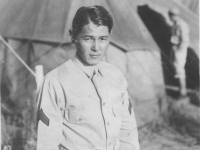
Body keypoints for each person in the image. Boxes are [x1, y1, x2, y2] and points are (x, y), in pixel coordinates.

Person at [36, 5, 140, 150]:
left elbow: (128, 133)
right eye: (88, 38)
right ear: (73, 36)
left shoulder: (115, 76)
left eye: (103, 39)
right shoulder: (55, 82)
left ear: (110, 36)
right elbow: (47, 143)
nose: (96, 47)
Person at [168, 7, 190, 97]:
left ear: (174, 16)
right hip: (175, 47)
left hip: (179, 49)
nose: (169, 18)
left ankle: (183, 92)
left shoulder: (182, 25)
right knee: (173, 65)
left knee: (179, 69)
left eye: (170, 16)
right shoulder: (175, 24)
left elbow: (185, 40)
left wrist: (179, 50)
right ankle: (179, 87)